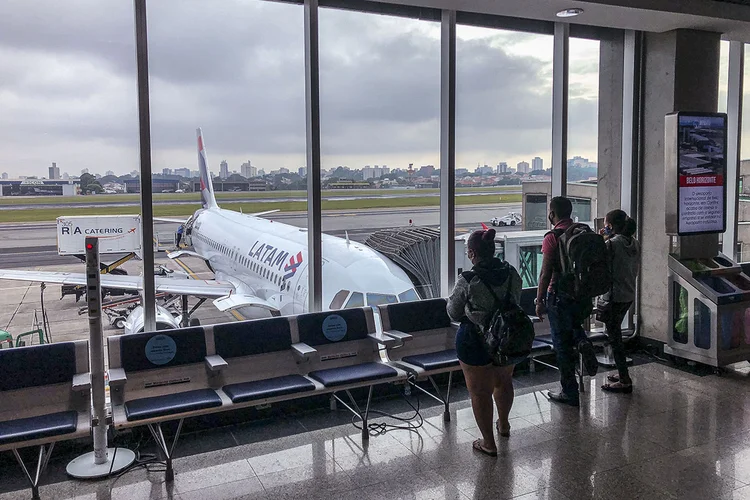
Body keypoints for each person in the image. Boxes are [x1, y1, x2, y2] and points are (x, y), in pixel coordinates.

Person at [447, 228, 522, 457]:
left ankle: (488, 442)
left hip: (475, 339)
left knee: (480, 392)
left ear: (471, 253)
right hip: (506, 336)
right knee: (504, 381)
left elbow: (452, 311)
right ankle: (505, 424)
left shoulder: (469, 280)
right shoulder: (512, 273)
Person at [535, 196, 598, 407]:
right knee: (574, 327)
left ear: (552, 213)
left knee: (561, 345)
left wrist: (539, 300)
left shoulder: (553, 237)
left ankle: (569, 391)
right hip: (583, 295)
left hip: (559, 296)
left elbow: (546, 273)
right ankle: (583, 341)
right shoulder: (583, 231)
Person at [597, 210, 640, 393]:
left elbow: (598, 259)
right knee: (615, 336)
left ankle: (624, 379)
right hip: (628, 294)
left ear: (611, 226)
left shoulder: (612, 245)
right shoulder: (635, 243)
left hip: (613, 296)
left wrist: (602, 239)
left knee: (614, 338)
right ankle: (622, 373)